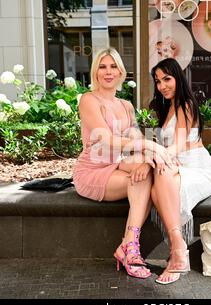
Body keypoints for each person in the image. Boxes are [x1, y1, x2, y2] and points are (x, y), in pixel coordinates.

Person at [72, 48, 175, 279]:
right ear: (95, 72)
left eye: (113, 67)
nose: (108, 72)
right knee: (142, 176)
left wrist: (147, 160)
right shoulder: (89, 100)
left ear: (120, 72)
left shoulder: (126, 105)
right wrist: (153, 147)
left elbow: (136, 140)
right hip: (92, 170)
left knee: (147, 172)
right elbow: (105, 140)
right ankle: (130, 248)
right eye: (102, 66)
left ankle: (128, 245)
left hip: (116, 165)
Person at [149, 58, 211, 285]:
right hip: (177, 166)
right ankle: (179, 247)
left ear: (178, 77)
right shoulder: (166, 107)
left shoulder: (185, 104)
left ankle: (178, 251)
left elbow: (178, 145)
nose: (162, 86)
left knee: (161, 175)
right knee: (154, 189)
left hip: (198, 169)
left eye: (167, 79)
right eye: (158, 81)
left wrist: (154, 156)